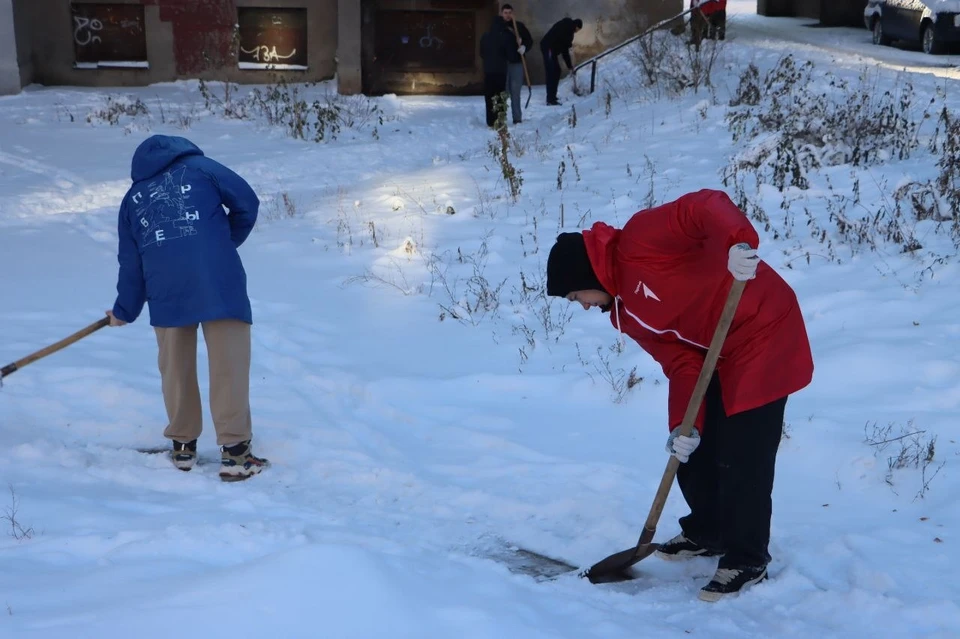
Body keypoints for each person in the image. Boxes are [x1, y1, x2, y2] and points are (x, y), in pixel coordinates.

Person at [545, 189, 814, 601]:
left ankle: (747, 558)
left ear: (585, 276)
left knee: (744, 452)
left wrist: (736, 241)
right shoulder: (624, 314)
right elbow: (681, 364)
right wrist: (682, 426)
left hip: (763, 330)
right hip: (716, 351)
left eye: (574, 296)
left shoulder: (639, 241)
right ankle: (710, 531)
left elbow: (704, 206)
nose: (580, 305)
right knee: (693, 446)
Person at [106, 134, 269, 482]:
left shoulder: (132, 198)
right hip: (217, 279)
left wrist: (125, 308)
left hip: (165, 286)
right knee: (229, 363)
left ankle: (182, 446)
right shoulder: (203, 168)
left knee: (174, 364)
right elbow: (247, 202)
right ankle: (236, 455)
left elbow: (131, 263)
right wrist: (222, 245)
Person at [499, 4, 533, 125]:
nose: (508, 15)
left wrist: (524, 46)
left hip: (517, 62)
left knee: (515, 92)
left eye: (509, 12)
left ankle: (517, 118)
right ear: (502, 13)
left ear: (513, 13)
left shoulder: (519, 26)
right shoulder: (498, 27)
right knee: (503, 92)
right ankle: (501, 118)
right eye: (505, 13)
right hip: (502, 64)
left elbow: (529, 40)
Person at [539, 17, 582, 106]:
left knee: (557, 70)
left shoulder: (567, 29)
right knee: (552, 71)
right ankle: (550, 99)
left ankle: (552, 96)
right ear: (577, 27)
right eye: (578, 30)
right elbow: (564, 47)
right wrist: (570, 66)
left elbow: (564, 50)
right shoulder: (567, 28)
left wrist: (569, 65)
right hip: (548, 48)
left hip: (551, 50)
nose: (577, 32)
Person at [479, 14, 510, 127]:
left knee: (489, 96)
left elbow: (481, 53)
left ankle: (490, 120)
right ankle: (500, 119)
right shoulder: (504, 37)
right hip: (501, 71)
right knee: (500, 96)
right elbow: (509, 54)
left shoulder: (485, 36)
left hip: (488, 71)